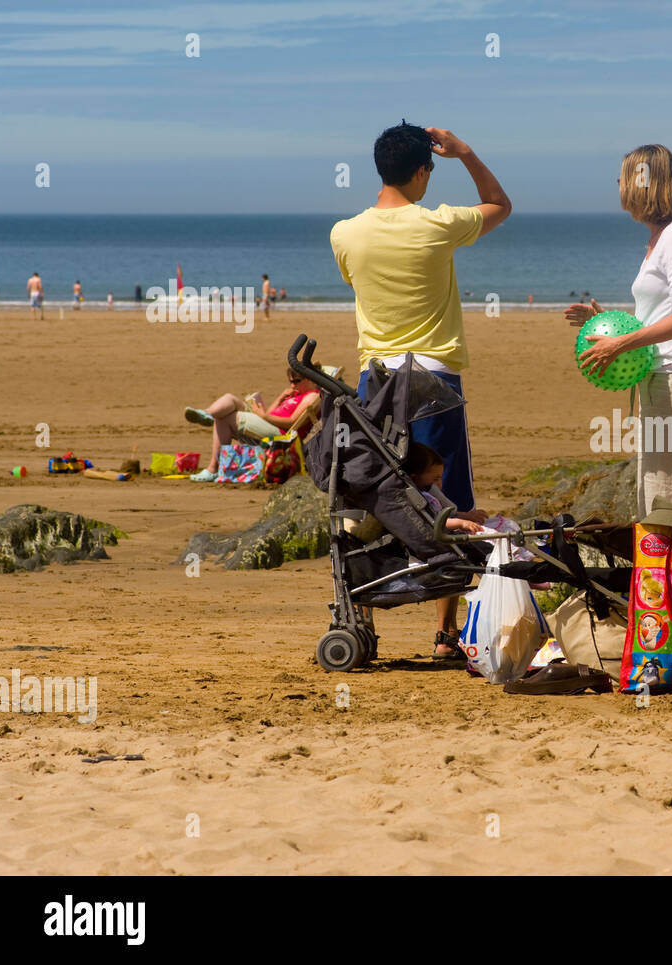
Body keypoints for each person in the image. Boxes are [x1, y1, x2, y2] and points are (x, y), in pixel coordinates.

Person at [331, 120, 510, 659]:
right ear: (421, 170)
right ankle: (445, 635)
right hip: (433, 378)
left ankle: (359, 614)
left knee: (370, 491)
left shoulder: (345, 233)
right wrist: (468, 153)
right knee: (445, 493)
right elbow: (499, 204)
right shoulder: (438, 224)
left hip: (376, 382)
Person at [565, 144, 672, 519]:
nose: (618, 185)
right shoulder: (661, 238)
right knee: (662, 492)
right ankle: (668, 578)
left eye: (623, 177)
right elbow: (661, 311)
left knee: (669, 502)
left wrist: (621, 343)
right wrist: (606, 322)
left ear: (644, 183)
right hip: (662, 377)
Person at [183, 368, 320, 479]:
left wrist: (263, 416)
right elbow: (272, 413)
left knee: (226, 418)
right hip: (269, 424)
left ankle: (213, 468)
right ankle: (207, 414)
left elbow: (292, 422)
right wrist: (280, 398)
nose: (292, 385)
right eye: (290, 382)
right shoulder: (296, 394)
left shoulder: (312, 396)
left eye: (296, 381)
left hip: (282, 434)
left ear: (309, 378)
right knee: (230, 399)